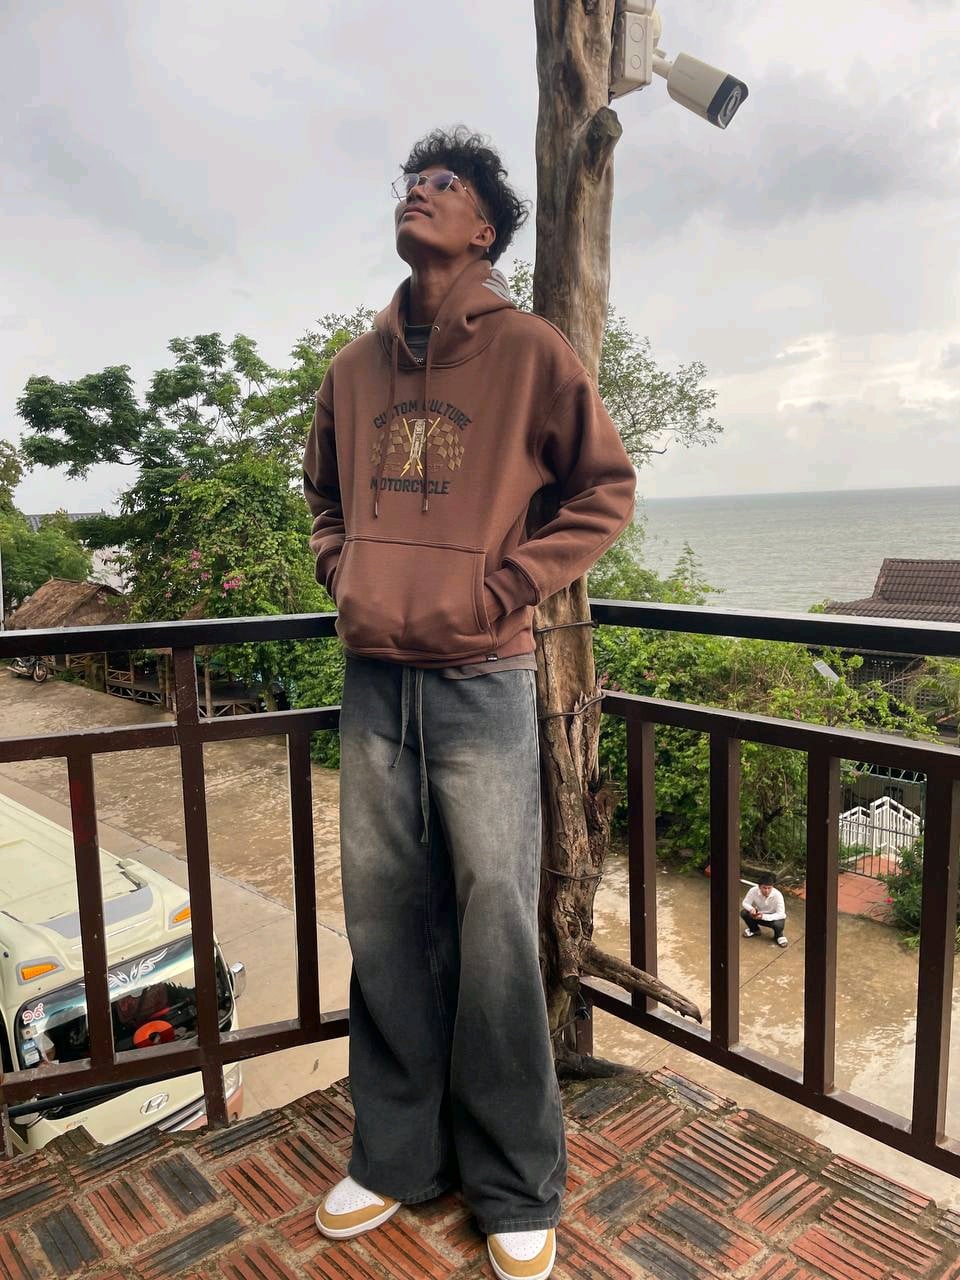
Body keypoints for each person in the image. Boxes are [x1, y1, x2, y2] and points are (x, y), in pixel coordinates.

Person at [302, 128, 636, 1280]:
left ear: (486, 226)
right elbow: (322, 494)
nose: (419, 192)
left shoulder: (533, 352)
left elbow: (604, 487)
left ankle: (513, 1179)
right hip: (373, 680)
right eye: (412, 181)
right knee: (384, 920)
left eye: (444, 184)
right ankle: (395, 1151)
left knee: (495, 928)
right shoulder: (352, 369)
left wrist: (505, 587)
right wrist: (343, 570)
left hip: (484, 677)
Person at [741, 875, 788, 946]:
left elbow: (781, 914)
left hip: (773, 917)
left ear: (772, 887)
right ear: (759, 887)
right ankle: (754, 930)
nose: (767, 890)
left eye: (769, 888)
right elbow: (745, 903)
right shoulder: (753, 890)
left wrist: (763, 916)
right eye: (764, 888)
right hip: (758, 914)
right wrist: (751, 909)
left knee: (779, 924)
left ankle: (779, 936)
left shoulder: (778, 895)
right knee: (744, 913)